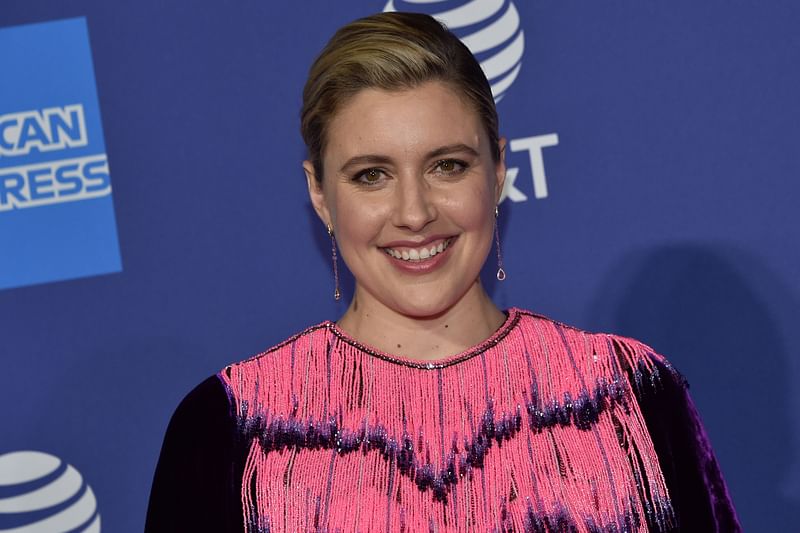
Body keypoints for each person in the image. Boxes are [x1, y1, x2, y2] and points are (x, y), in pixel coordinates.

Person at [145, 12, 740, 532]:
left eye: (447, 165)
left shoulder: (630, 395)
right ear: (320, 194)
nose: (415, 213)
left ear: (498, 168)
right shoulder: (230, 430)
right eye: (371, 175)